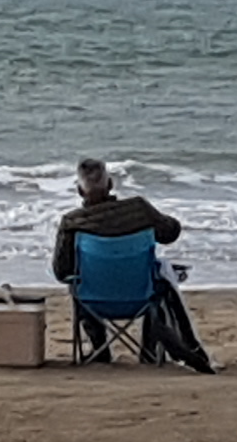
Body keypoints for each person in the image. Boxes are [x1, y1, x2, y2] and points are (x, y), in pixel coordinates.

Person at [53, 158, 214, 370]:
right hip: (141, 297)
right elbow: (170, 233)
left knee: (78, 280)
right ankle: (149, 350)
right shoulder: (139, 210)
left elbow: (61, 271)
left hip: (92, 302)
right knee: (158, 280)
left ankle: (100, 348)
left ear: (80, 192)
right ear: (110, 185)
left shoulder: (72, 222)